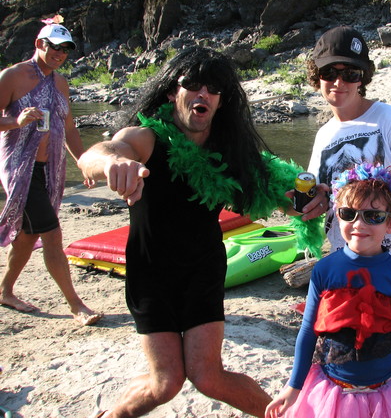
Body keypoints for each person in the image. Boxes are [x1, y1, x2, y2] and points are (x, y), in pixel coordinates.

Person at [78, 46, 323, 418]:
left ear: (221, 101)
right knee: (165, 384)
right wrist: (114, 163)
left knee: (208, 377)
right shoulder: (147, 138)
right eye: (193, 84)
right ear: (171, 92)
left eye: (214, 88)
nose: (203, 93)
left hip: (203, 271)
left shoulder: (230, 152)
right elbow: (98, 153)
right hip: (151, 274)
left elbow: (279, 196)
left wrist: (311, 202)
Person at [299, 25, 391, 416]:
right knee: (351, 388)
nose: (339, 81)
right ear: (316, 76)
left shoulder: (390, 120)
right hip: (347, 285)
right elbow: (326, 203)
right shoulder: (324, 135)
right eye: (329, 72)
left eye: (351, 73)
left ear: (364, 77)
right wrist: (306, 208)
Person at [267, 163, 391, 417]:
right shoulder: (324, 270)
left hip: (386, 392)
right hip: (333, 391)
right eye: (348, 213)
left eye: (373, 216)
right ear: (336, 215)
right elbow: (308, 331)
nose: (359, 224)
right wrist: (293, 386)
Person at [0, 20, 102, 326]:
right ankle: (76, 305)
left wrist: (83, 162)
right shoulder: (12, 76)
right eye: (54, 46)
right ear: (39, 44)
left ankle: (4, 291)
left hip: (50, 168)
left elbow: (69, 128)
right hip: (20, 167)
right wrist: (16, 121)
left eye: (65, 49)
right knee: (52, 233)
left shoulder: (61, 84)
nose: (59, 53)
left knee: (29, 234)